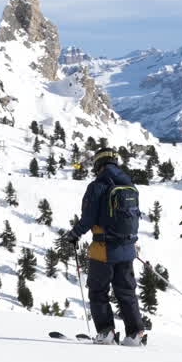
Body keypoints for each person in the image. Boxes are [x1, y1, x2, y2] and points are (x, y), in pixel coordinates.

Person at [61, 148, 145, 346]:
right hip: (127, 248)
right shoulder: (129, 184)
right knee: (126, 291)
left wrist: (74, 235)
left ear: (98, 165)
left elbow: (88, 218)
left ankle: (106, 332)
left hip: (103, 249)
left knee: (98, 290)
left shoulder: (97, 186)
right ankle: (135, 334)